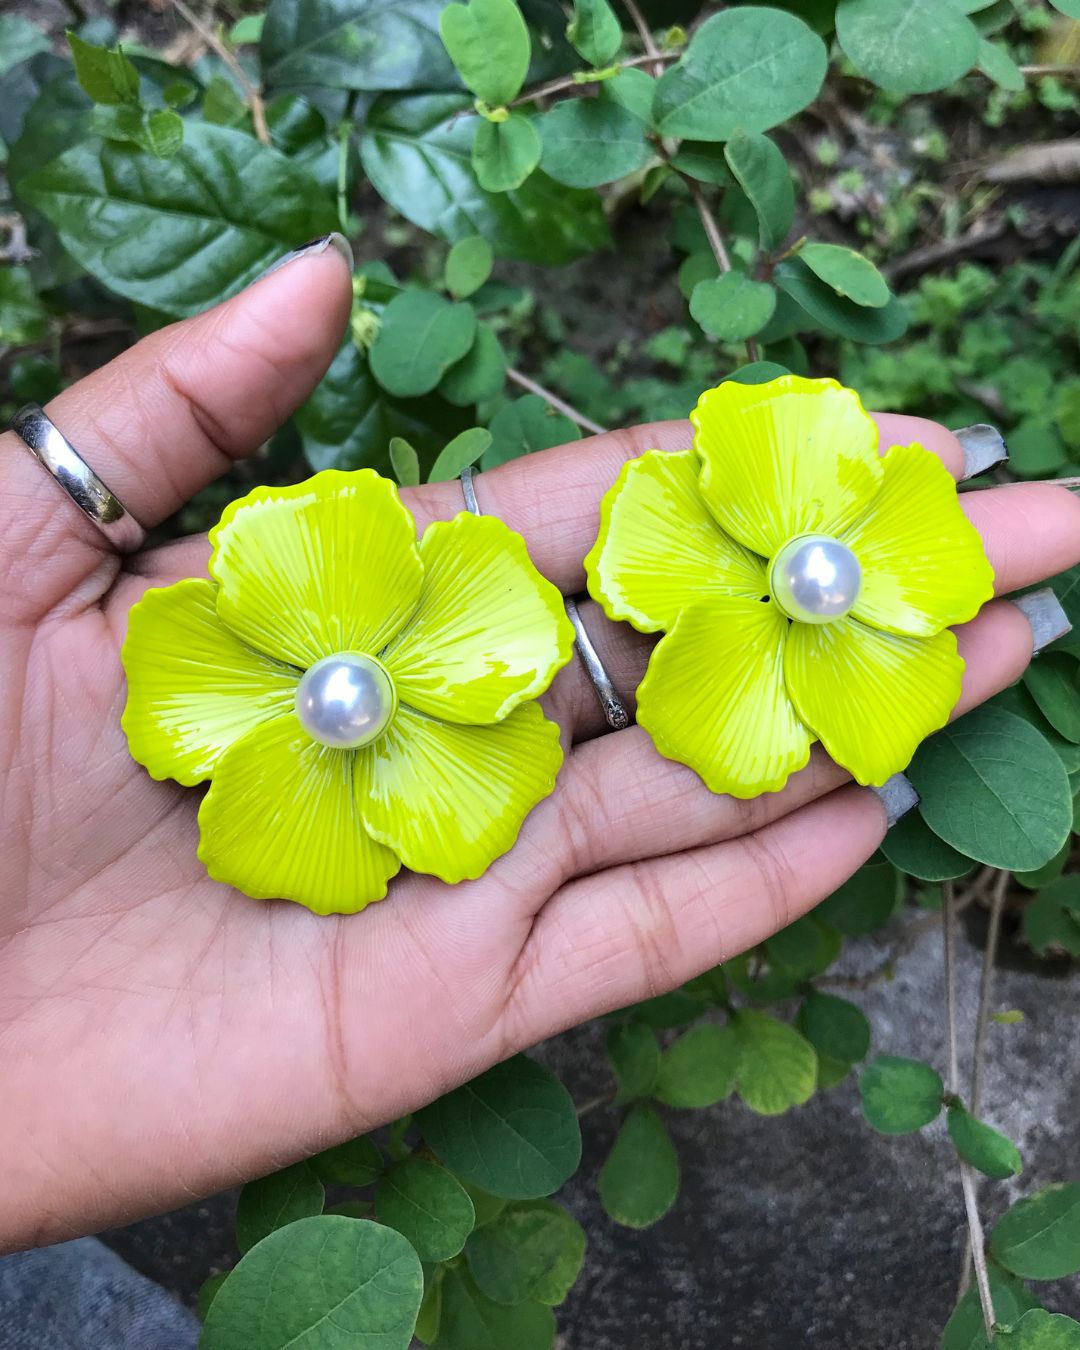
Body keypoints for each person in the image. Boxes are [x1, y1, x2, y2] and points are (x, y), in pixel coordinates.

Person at [1, 236, 1077, 1285]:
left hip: (723, 672)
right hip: (342, 751)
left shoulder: (539, 622)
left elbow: (524, 636)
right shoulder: (225, 653)